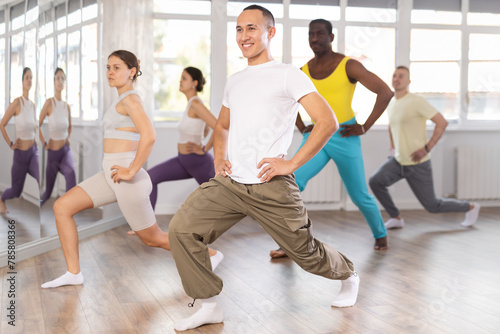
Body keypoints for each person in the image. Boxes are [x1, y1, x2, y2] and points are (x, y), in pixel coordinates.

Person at [168, 6, 359, 332]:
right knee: (181, 231)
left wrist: (292, 163)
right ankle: (210, 305)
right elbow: (223, 126)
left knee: (306, 254)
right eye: (239, 29)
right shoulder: (236, 80)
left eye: (252, 28)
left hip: (271, 183)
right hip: (231, 183)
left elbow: (327, 121)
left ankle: (349, 274)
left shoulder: (288, 74)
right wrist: (218, 159)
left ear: (270, 33)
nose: (244, 36)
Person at [41, 50, 223, 289]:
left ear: (132, 71)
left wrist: (130, 170)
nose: (110, 72)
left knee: (154, 238)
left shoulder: (131, 99)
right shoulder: (120, 98)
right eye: (108, 67)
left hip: (126, 179)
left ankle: (210, 254)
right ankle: (73, 272)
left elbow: (149, 135)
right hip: (111, 176)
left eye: (117, 67)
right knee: (62, 207)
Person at [270, 18, 393, 258]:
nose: (315, 39)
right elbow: (285, 102)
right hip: (317, 136)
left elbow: (385, 92)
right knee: (291, 184)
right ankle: (289, 241)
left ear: (331, 37)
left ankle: (380, 234)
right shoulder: (303, 71)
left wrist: (364, 127)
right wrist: (302, 125)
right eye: (310, 35)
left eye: (320, 34)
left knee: (358, 194)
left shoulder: (349, 66)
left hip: (345, 136)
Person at [369, 66, 480, 228]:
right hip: (398, 161)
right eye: (394, 76)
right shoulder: (392, 102)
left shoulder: (417, 101)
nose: (396, 79)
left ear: (408, 81)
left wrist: (427, 148)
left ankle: (470, 207)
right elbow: (391, 126)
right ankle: (396, 218)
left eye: (401, 76)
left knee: (432, 206)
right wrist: (393, 149)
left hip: (417, 164)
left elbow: (442, 122)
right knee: (375, 181)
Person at [146, 67, 217, 210]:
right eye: (181, 78)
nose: (180, 81)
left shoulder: (196, 104)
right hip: (184, 160)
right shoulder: (191, 104)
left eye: (184, 78)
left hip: (197, 161)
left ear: (194, 83)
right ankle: (149, 228)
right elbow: (207, 127)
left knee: (222, 196)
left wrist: (204, 148)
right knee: (150, 178)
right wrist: (202, 136)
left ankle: (261, 215)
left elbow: (218, 126)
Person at [0, 67, 39, 214]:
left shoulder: (32, 105)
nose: (29, 80)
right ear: (22, 81)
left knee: (40, 176)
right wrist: (11, 143)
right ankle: (1, 199)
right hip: (20, 155)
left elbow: (32, 126)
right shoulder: (17, 103)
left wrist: (34, 140)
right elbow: (2, 124)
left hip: (33, 152)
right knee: (16, 192)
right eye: (27, 77)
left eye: (31, 77)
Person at [39, 68, 77, 206]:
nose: (60, 81)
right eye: (58, 78)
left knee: (71, 174)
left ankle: (69, 211)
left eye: (62, 79)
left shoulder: (67, 106)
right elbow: (37, 124)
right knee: (48, 192)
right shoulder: (49, 103)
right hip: (53, 153)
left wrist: (68, 138)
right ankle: (37, 205)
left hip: (65, 151)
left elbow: (70, 126)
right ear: (54, 82)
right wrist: (44, 143)